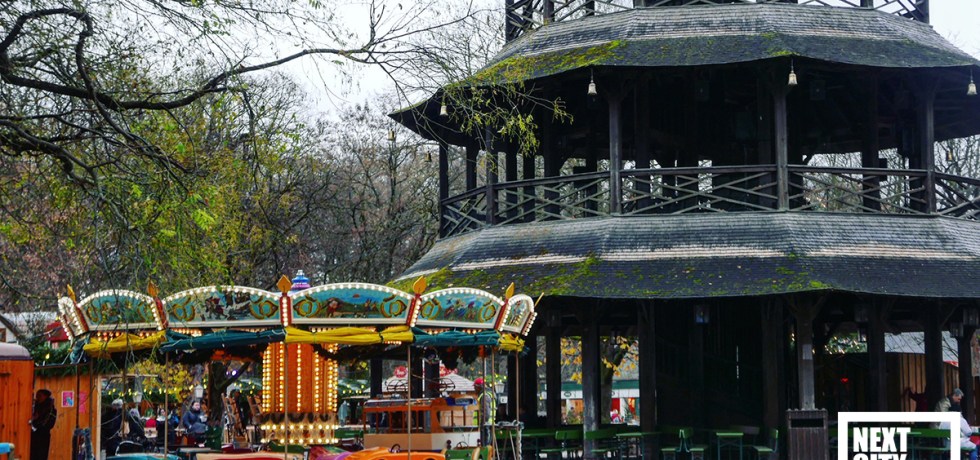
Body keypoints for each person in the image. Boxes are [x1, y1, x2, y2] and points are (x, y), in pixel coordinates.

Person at [29, 389, 57, 460]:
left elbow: (48, 423)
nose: (37, 398)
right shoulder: (36, 406)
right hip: (34, 435)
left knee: (41, 455)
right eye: (37, 396)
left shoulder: (50, 408)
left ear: (45, 396)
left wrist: (36, 420)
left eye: (39, 396)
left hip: (43, 435)